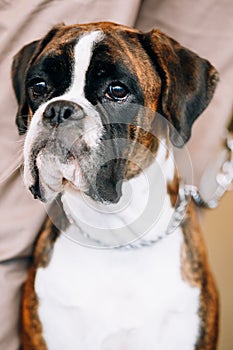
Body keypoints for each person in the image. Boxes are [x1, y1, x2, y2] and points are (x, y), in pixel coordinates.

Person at [0, 0, 232, 348]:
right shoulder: (49, 282)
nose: (60, 112)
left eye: (116, 91)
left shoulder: (187, 289)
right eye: (42, 89)